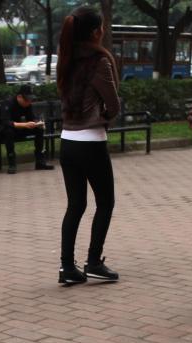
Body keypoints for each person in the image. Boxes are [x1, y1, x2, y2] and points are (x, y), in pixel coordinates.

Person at [55, 6, 122, 285]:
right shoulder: (99, 61)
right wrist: (104, 117)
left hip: (67, 142)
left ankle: (67, 267)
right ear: (96, 32)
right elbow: (113, 104)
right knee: (105, 202)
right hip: (91, 142)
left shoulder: (66, 58)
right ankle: (93, 262)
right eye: (102, 27)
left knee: (75, 205)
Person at [0, 84, 55, 174]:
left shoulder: (27, 105)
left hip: (18, 129)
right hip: (1, 131)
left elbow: (31, 118)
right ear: (19, 97)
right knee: (9, 131)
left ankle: (40, 162)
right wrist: (25, 124)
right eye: (27, 100)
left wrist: (37, 123)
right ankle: (12, 164)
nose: (29, 102)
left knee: (39, 129)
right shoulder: (8, 103)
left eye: (30, 100)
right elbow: (6, 122)